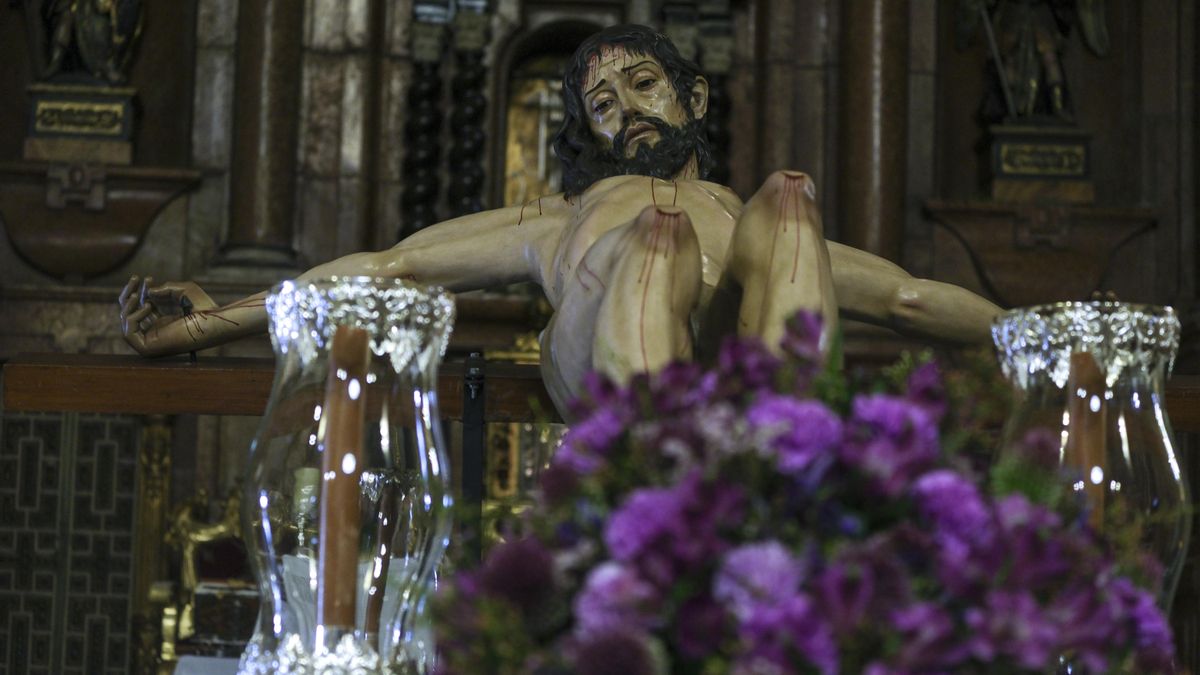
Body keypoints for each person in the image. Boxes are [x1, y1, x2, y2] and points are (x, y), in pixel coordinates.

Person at [119, 24, 1002, 415]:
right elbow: (392, 268)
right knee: (659, 236)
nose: (627, 110)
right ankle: (667, 494)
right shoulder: (563, 214)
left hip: (737, 368)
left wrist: (1045, 336)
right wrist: (212, 323)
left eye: (643, 85)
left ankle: (783, 462)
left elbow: (911, 297)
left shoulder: (744, 217)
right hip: (603, 336)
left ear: (693, 97)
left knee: (790, 196)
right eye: (604, 105)